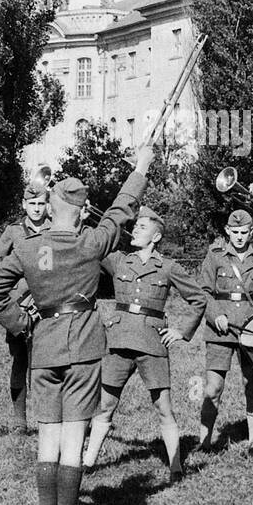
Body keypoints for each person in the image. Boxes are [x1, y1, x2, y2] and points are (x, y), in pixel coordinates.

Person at [0, 147, 152, 505]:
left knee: (47, 439)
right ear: (82, 210)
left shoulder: (27, 247)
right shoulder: (91, 242)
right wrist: (141, 165)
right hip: (86, 347)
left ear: (52, 207)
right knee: (74, 440)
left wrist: (20, 322)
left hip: (45, 347)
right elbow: (122, 209)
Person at [82, 206, 205, 482]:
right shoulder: (118, 261)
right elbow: (92, 245)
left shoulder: (169, 267)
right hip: (119, 339)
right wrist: (84, 219)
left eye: (141, 227)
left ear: (156, 236)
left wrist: (182, 331)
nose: (134, 231)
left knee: (164, 407)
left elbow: (198, 298)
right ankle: (88, 461)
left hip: (152, 343)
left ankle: (176, 467)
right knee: (105, 404)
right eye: (134, 226)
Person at [195, 209, 253, 454]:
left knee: (251, 385)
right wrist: (215, 315)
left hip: (250, 330)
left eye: (245, 232)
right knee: (213, 388)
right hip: (220, 330)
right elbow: (202, 292)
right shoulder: (215, 255)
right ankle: (205, 442)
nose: (240, 237)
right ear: (227, 231)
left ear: (251, 232)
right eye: (235, 232)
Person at [0, 180, 51, 432]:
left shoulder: (56, 230)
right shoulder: (13, 231)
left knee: (45, 362)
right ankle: (19, 421)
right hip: (20, 308)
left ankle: (47, 419)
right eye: (32, 204)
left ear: (48, 205)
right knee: (20, 360)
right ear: (24, 205)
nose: (36, 209)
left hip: (48, 306)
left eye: (41, 203)